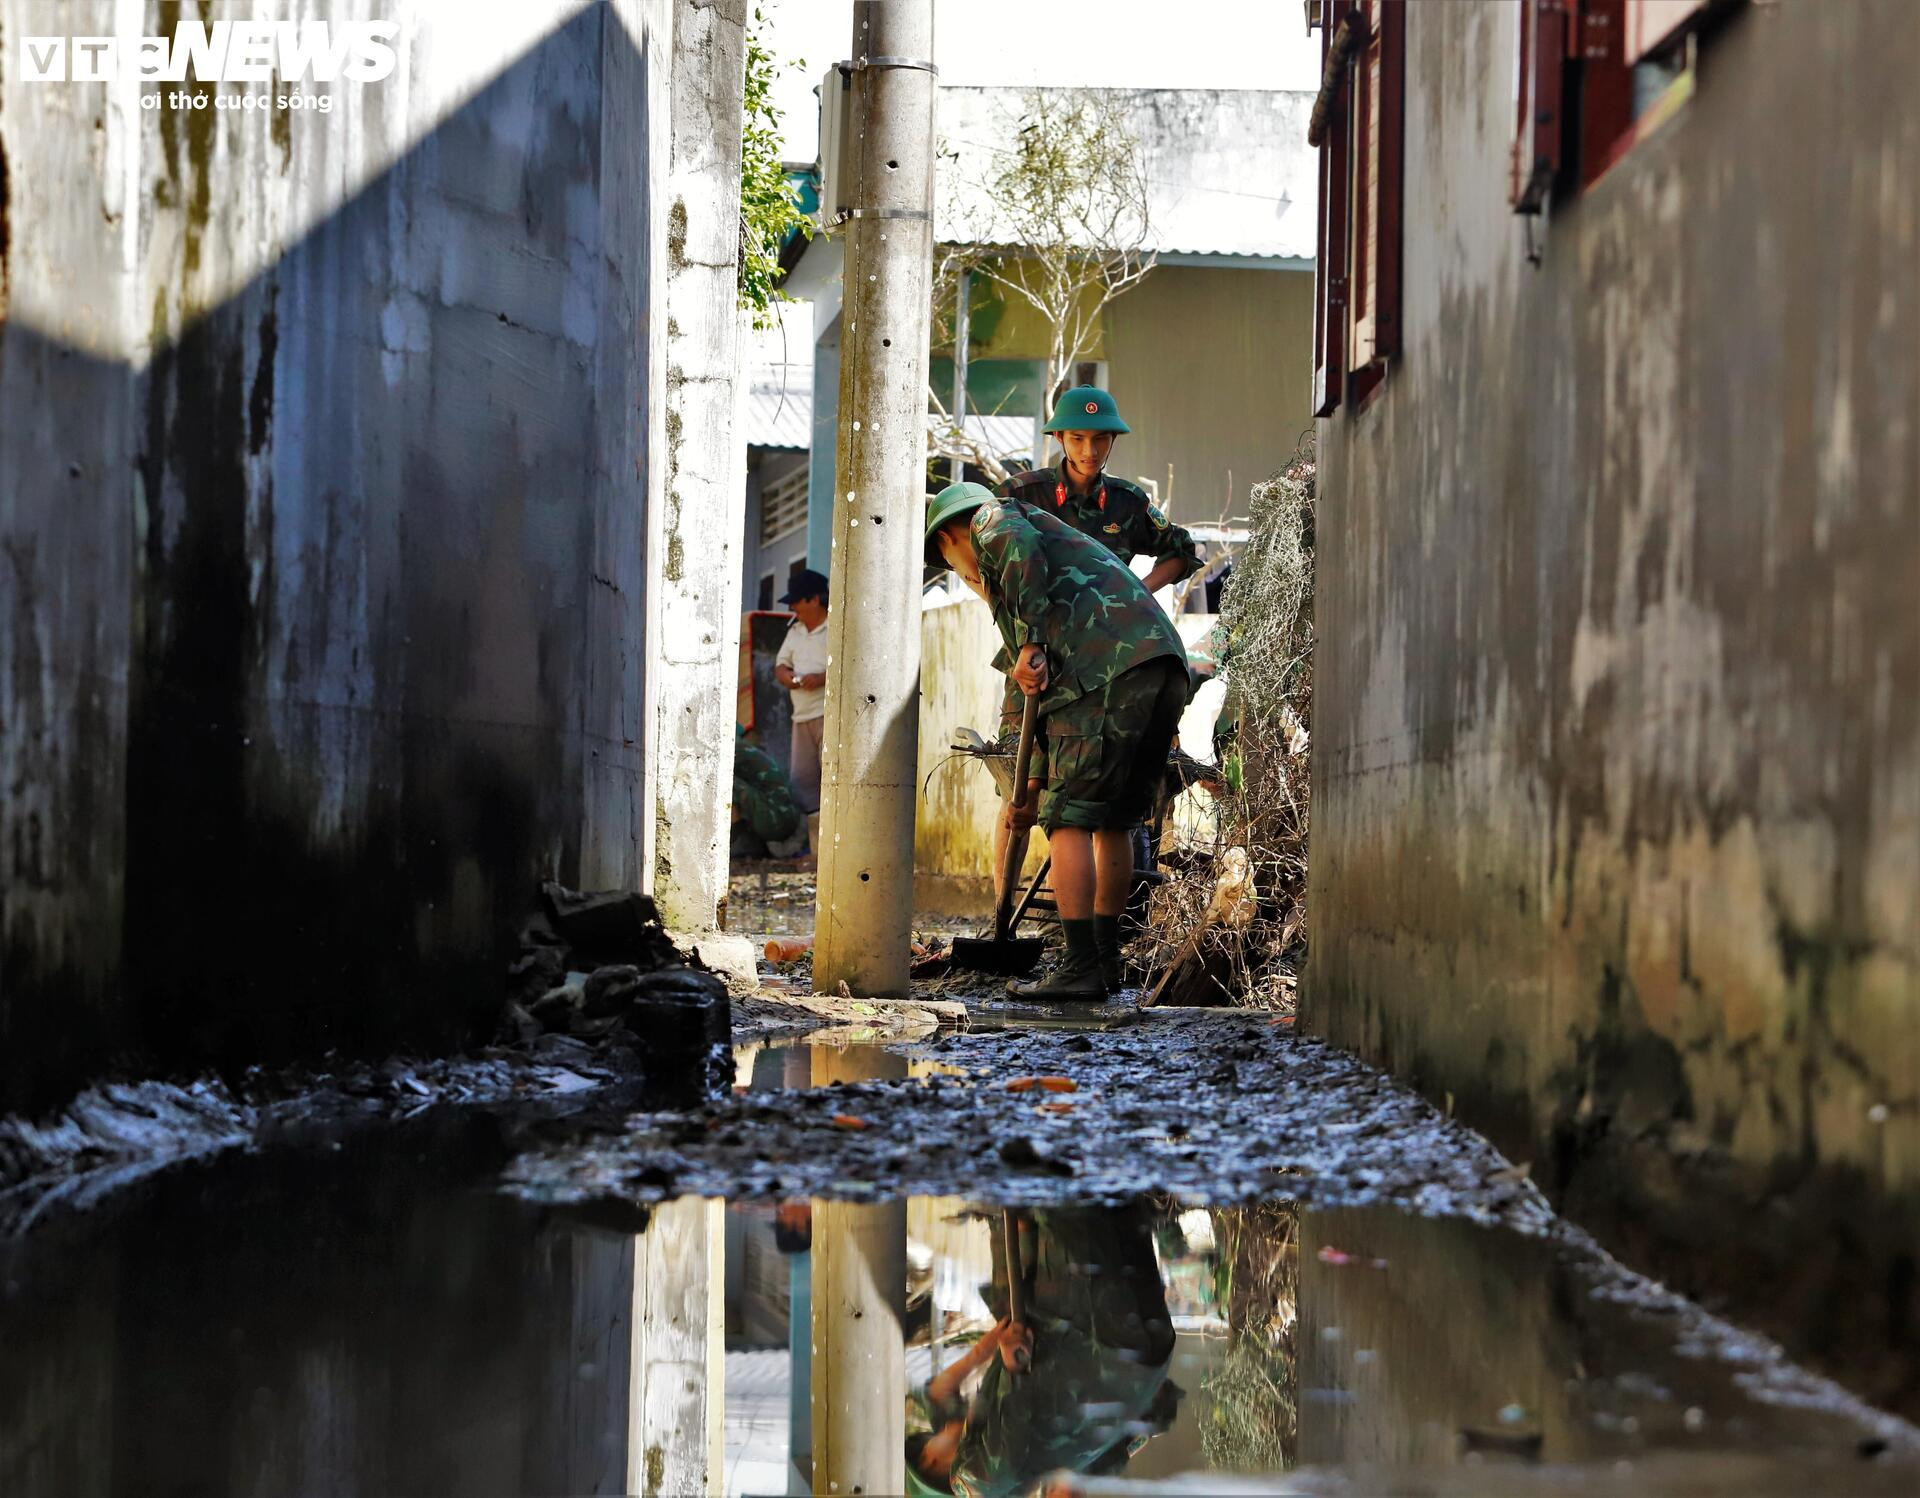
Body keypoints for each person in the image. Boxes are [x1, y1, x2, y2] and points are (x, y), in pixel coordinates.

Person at [924, 481, 1188, 1000]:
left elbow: (1016, 551)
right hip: (1161, 666)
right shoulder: (1035, 592)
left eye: (956, 567)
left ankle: (1081, 964)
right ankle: (1105, 962)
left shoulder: (992, 521)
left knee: (1067, 821)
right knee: (1114, 820)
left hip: (1107, 670)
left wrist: (1032, 642)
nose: (966, 578)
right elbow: (1034, 702)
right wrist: (1031, 787)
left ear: (950, 538)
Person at [905, 1205, 1177, 1497]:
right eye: (927, 1444)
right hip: (1092, 1349)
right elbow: (1013, 1423)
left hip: (1140, 1361)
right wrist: (1014, 1368)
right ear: (930, 1460)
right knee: (1069, 1198)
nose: (934, 1433)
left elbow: (1147, 1427)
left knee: (1115, 1209)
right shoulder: (972, 1482)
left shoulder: (1007, 1459)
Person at [996, 385, 1202, 594]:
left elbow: (1182, 551)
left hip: (1110, 625)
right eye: (1077, 438)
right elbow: (969, 545)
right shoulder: (1019, 495)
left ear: (1113, 437)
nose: (1090, 451)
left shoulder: (1128, 502)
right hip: (1040, 626)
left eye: (1100, 438)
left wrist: (1137, 596)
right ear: (1059, 437)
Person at [772, 568, 831, 817]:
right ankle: (810, 849)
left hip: (828, 715)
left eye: (796, 601)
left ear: (814, 600)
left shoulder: (837, 627)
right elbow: (781, 665)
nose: (792, 608)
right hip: (801, 717)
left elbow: (851, 667)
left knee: (831, 780)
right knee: (803, 785)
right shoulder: (794, 631)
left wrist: (821, 679)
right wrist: (786, 676)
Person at [730, 726, 803, 858]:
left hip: (777, 818)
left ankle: (737, 842)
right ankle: (747, 843)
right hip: (779, 817)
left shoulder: (731, 748)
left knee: (722, 781)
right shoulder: (739, 747)